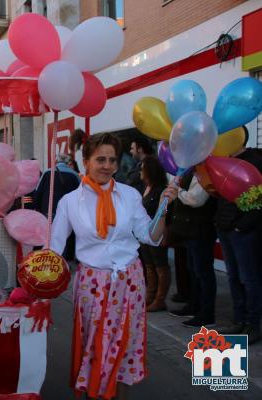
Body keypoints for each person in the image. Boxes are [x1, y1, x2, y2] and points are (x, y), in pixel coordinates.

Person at [51, 133, 177, 400]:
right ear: (85, 161)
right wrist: (38, 283)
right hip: (91, 285)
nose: (107, 165)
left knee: (126, 347)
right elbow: (54, 248)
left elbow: (150, 236)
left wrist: (164, 208)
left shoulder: (129, 196)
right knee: (94, 347)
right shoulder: (69, 202)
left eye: (112, 160)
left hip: (130, 281)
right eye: (100, 159)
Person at [215, 130, 262, 344]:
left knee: (249, 279)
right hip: (225, 227)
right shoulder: (225, 160)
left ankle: (253, 324)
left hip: (243, 231)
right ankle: (239, 320)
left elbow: (258, 202)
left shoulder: (255, 162)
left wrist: (242, 226)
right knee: (234, 277)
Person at [167, 173, 217, 328]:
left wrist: (177, 192)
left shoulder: (206, 172)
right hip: (191, 228)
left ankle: (206, 313)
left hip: (201, 228)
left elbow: (195, 199)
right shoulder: (191, 170)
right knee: (194, 270)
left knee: (203, 272)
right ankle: (194, 305)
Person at [33, 153, 80, 261]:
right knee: (63, 237)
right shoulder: (74, 175)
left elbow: (38, 192)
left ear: (55, 162)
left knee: (46, 236)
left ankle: (44, 260)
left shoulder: (47, 173)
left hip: (48, 211)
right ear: (68, 163)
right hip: (68, 213)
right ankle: (60, 263)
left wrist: (37, 207)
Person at [139, 156, 170, 312]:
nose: (140, 171)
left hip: (156, 234)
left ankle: (160, 299)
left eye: (142, 168)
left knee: (160, 266)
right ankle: (150, 295)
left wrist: (164, 233)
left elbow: (164, 213)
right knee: (149, 265)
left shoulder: (161, 189)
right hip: (145, 233)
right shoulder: (147, 187)